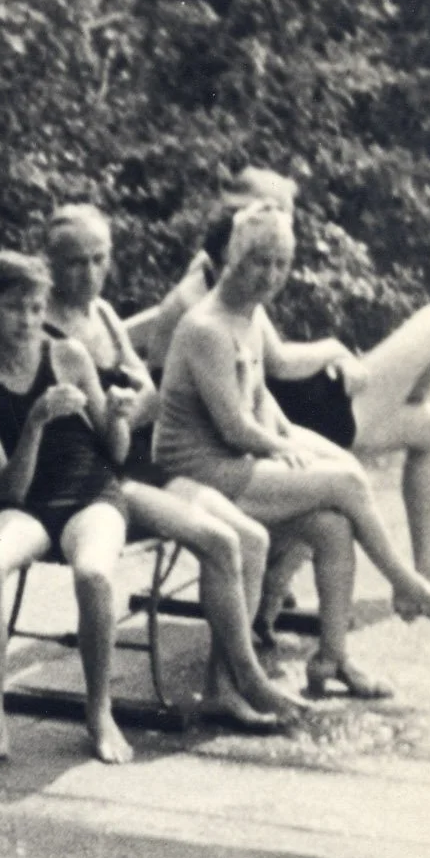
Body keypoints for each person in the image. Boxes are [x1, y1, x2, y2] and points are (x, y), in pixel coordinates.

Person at [154, 203, 430, 698]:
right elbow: (233, 426)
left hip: (239, 461)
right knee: (348, 482)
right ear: (233, 257)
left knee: (335, 526)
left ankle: (332, 660)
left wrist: (295, 438)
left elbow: (268, 377)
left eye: (280, 264)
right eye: (258, 262)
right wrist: (282, 447)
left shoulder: (250, 310)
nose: (270, 276)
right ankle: (405, 582)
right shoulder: (206, 326)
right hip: (201, 474)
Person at [42, 203, 301, 731]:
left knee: (250, 538)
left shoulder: (107, 316)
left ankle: (226, 687)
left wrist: (125, 408)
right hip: (95, 484)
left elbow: (151, 400)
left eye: (99, 259)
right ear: (51, 264)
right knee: (225, 541)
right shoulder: (43, 328)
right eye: (74, 262)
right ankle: (248, 675)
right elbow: (93, 430)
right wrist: (122, 410)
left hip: (143, 467)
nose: (89, 273)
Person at [134, 168, 430, 584]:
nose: (282, 229)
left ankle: (428, 564)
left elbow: (273, 359)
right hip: (288, 421)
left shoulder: (217, 276)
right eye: (274, 216)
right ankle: (408, 579)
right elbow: (255, 378)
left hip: (291, 409)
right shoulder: (210, 294)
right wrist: (334, 349)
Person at [0, 252, 136, 770]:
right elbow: (12, 490)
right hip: (31, 505)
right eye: (14, 307)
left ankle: (99, 712)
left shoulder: (68, 355)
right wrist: (36, 422)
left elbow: (116, 454)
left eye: (36, 307)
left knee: (92, 573)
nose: (26, 320)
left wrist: (117, 417)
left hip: (92, 493)